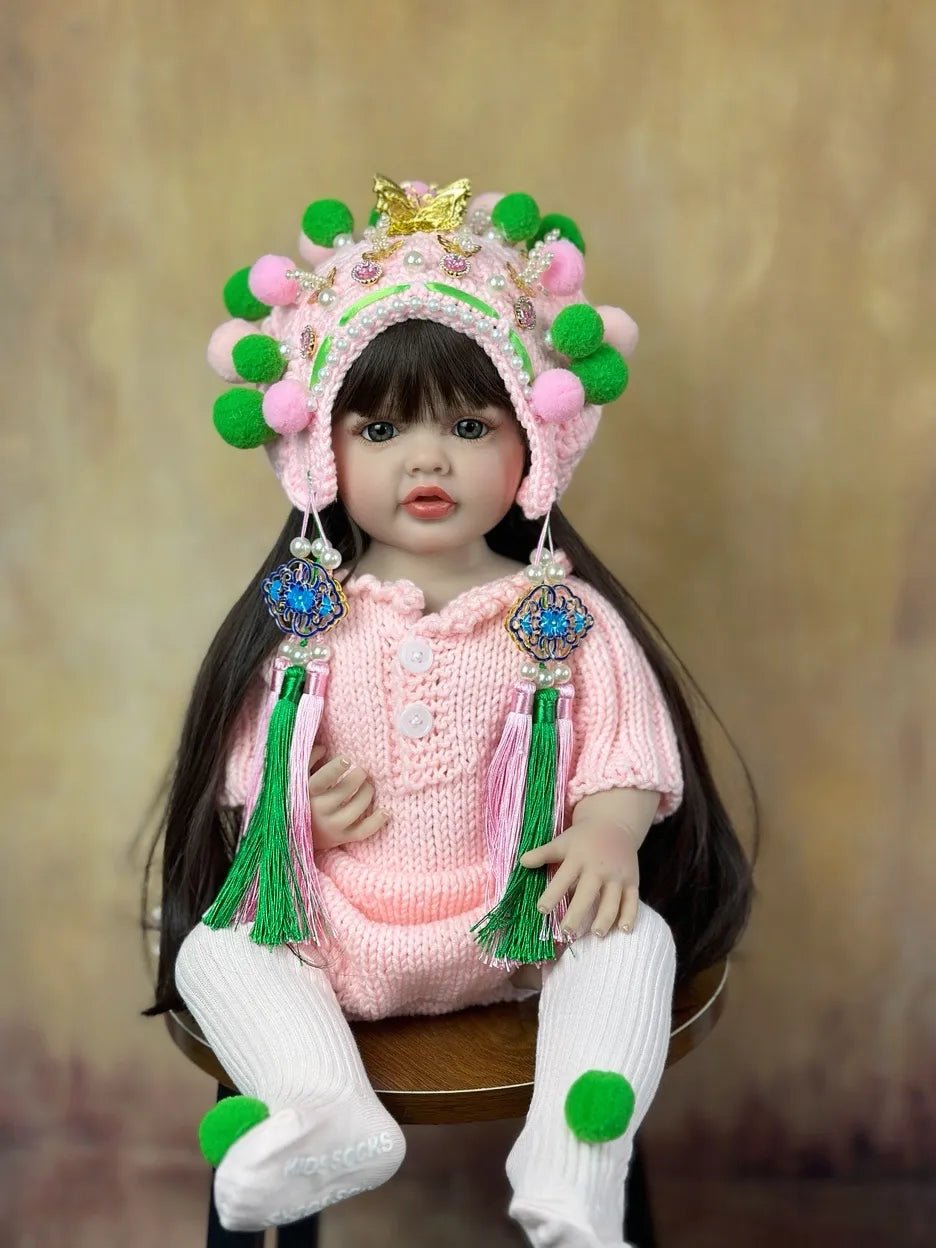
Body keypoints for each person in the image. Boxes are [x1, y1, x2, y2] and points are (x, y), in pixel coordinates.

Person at [143, 176, 756, 1246]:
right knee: (217, 951)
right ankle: (323, 1113)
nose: (426, 460)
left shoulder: (554, 616)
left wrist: (610, 829)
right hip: (342, 928)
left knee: (632, 945)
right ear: (321, 452)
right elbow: (251, 783)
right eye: (381, 429)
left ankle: (571, 1166)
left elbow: (625, 741)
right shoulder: (309, 622)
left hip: (516, 921)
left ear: (533, 447)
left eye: (469, 425)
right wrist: (299, 811)